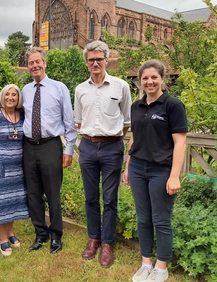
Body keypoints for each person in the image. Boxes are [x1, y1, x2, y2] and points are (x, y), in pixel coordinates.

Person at [122, 59, 187, 282]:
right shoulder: (136, 106)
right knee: (143, 218)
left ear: (162, 79)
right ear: (140, 81)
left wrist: (174, 175)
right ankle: (146, 262)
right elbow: (134, 139)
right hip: (138, 167)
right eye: (145, 78)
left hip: (162, 170)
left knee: (161, 219)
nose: (149, 82)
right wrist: (128, 166)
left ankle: (161, 267)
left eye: (153, 77)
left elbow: (180, 143)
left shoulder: (173, 105)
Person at [74, 40, 132, 267]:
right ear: (87, 63)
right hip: (87, 147)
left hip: (112, 147)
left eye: (99, 59)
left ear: (107, 60)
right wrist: (93, 137)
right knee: (90, 198)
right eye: (91, 60)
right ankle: (93, 238)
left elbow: (126, 121)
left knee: (110, 199)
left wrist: (110, 136)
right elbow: (79, 121)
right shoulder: (80, 89)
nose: (95, 63)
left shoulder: (121, 87)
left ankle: (107, 243)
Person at [22, 46, 77, 254]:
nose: (34, 65)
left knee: (52, 192)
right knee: (33, 192)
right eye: (31, 63)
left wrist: (69, 149)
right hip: (28, 147)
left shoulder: (59, 88)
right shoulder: (25, 91)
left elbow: (68, 121)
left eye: (38, 62)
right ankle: (40, 233)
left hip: (50, 145)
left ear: (44, 63)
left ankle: (56, 235)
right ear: (28, 67)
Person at [0, 84, 29, 256]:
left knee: (13, 200)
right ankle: (2, 238)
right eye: (7, 94)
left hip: (18, 167)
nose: (10, 97)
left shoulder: (22, 115)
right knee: (1, 202)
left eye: (14, 95)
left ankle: (10, 233)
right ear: (2, 96)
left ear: (18, 98)